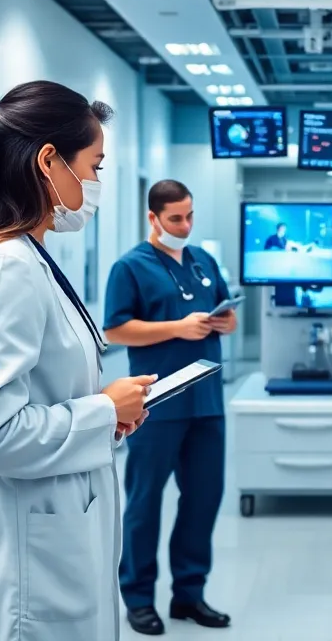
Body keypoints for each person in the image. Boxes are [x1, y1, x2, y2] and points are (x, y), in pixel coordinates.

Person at [0, 83, 154, 641]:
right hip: (13, 552)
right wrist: (102, 412)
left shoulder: (23, 258)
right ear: (49, 161)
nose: (96, 183)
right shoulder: (4, 267)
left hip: (37, 532)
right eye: (95, 165)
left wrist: (108, 415)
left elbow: (31, 398)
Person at [104, 180, 235, 636]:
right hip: (156, 404)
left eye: (190, 216)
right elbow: (116, 330)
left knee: (203, 500)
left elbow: (229, 320)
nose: (185, 225)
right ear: (153, 217)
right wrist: (177, 328)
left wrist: (223, 319)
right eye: (176, 218)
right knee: (145, 502)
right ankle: (138, 598)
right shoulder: (130, 267)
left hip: (207, 403)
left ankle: (189, 595)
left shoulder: (204, 261)